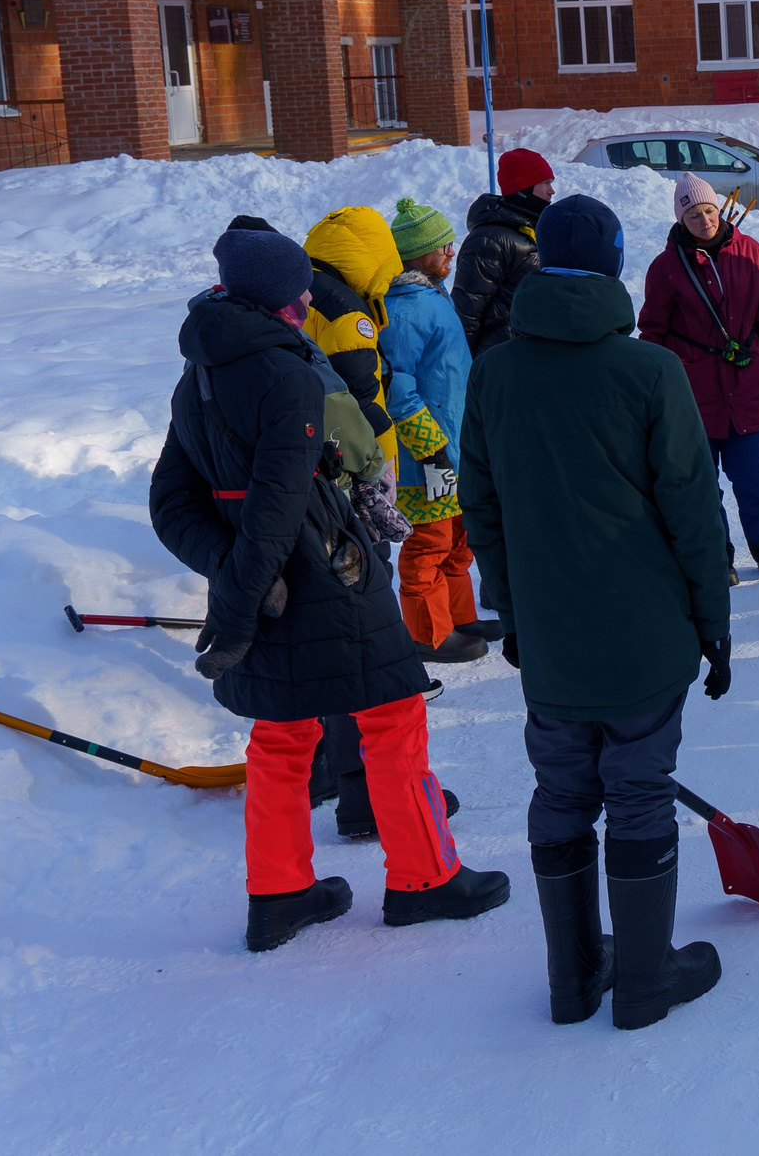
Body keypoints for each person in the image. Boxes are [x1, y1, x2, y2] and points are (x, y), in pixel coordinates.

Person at [149, 227, 509, 953]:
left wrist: (232, 571)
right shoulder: (286, 374)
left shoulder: (200, 374)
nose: (308, 298)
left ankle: (278, 894)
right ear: (272, 300)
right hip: (326, 576)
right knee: (393, 715)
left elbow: (170, 504)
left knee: (280, 735)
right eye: (297, 290)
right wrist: (251, 590)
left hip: (268, 581)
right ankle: (424, 877)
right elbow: (281, 500)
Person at [458, 194, 737, 1030]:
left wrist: (512, 610)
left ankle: (575, 979)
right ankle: (646, 979)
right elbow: (692, 509)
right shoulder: (649, 370)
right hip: (644, 637)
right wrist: (713, 625)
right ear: (616, 265)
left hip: (550, 640)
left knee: (562, 790)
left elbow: (483, 505)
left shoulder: (495, 370)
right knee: (640, 789)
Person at [640, 173, 759, 577]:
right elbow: (652, 334)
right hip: (692, 392)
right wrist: (652, 393)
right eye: (693, 214)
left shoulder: (749, 251)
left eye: (709, 210)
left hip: (745, 384)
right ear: (681, 219)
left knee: (755, 475)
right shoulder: (665, 268)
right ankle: (716, 556)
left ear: (720, 209)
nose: (705, 221)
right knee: (700, 484)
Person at [382, 197, 492, 665]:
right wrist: (430, 449)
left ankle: (458, 618)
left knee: (458, 539)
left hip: (455, 449)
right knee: (428, 544)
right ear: (415, 255)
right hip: (425, 456)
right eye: (441, 246)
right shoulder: (404, 311)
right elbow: (398, 389)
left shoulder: (432, 297)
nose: (452, 252)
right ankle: (427, 634)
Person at [300, 206, 405, 466]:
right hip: (347, 453)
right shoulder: (346, 310)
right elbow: (359, 397)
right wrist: (386, 460)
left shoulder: (302, 286)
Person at [456, 147, 555, 356]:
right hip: (501, 359)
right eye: (545, 182)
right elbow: (467, 314)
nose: (551, 190)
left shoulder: (534, 229)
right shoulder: (488, 241)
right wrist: (471, 370)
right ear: (524, 187)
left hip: (530, 355)